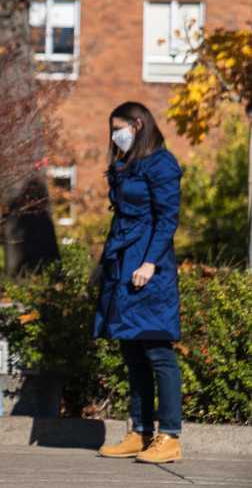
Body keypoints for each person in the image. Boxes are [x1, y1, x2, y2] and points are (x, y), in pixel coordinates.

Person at [94, 101, 184, 465]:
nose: (116, 135)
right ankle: (141, 431)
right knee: (132, 350)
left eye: (121, 128)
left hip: (149, 264)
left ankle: (170, 437)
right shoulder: (125, 164)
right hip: (122, 261)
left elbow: (167, 219)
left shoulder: (161, 164)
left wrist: (149, 262)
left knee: (158, 351)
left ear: (139, 124)